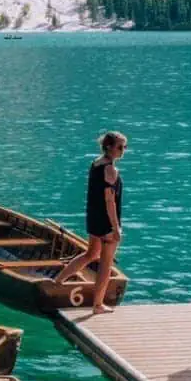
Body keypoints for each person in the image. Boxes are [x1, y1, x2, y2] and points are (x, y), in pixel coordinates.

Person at [61, 131, 126, 315]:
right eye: (120, 147)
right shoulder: (110, 170)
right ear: (109, 147)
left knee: (90, 254)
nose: (123, 151)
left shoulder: (96, 164)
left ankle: (58, 281)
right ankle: (98, 305)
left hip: (94, 218)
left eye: (125, 147)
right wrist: (115, 227)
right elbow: (109, 201)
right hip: (106, 223)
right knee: (105, 265)